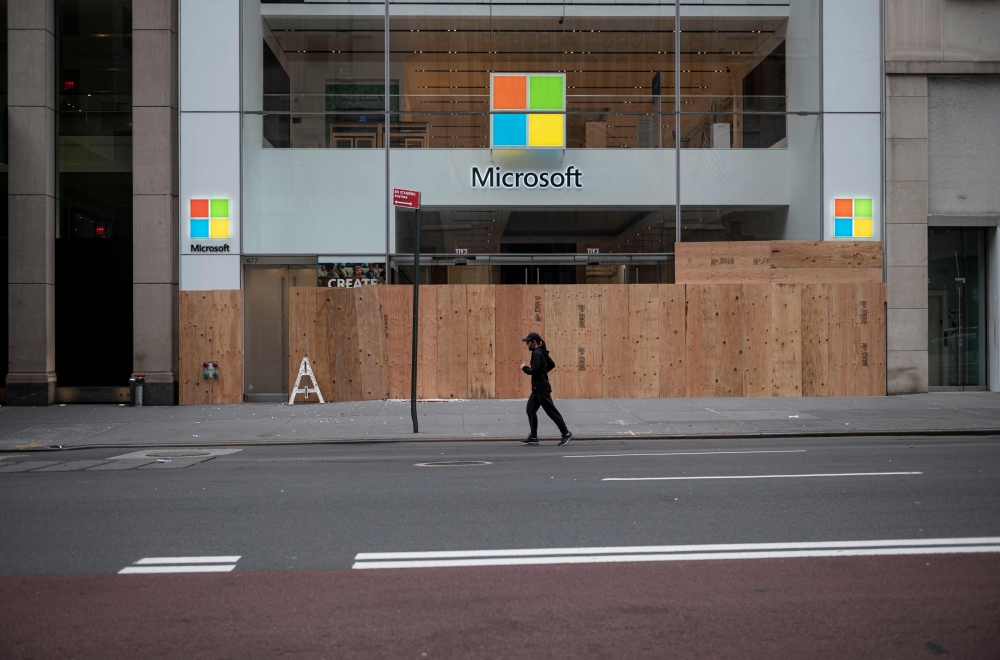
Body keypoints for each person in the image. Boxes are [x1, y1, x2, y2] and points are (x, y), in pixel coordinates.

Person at [520, 332, 573, 446]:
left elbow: (534, 370)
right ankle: (533, 437)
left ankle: (566, 433)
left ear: (534, 342)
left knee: (552, 412)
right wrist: (543, 372)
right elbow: (551, 364)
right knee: (530, 410)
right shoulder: (542, 352)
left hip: (541, 389)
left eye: (528, 342)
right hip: (537, 389)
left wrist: (524, 368)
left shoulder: (537, 353)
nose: (526, 344)